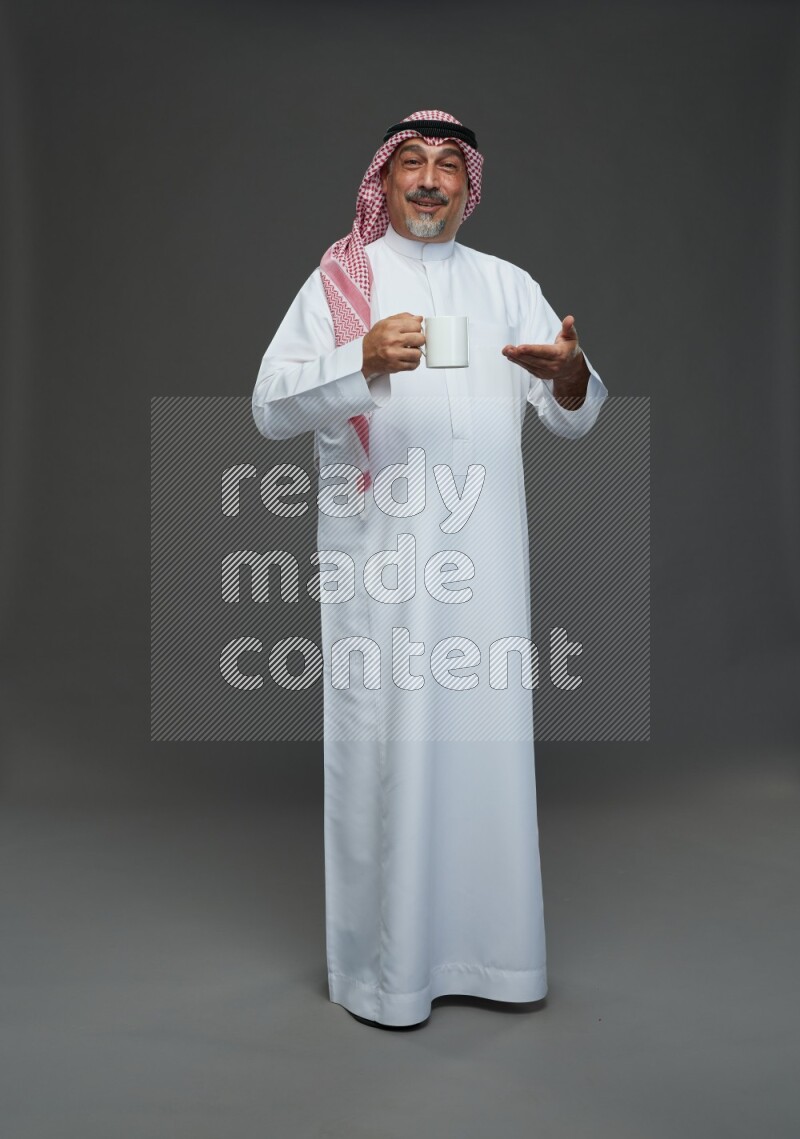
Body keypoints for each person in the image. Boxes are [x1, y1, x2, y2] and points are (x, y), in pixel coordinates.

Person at [251, 109, 608, 1027]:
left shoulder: (507, 285)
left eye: (449, 166)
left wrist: (568, 376)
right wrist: (357, 358)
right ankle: (387, 973)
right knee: (390, 751)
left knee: (483, 750)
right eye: (411, 161)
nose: (429, 180)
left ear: (469, 186)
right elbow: (270, 406)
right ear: (385, 177)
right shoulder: (344, 282)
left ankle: (496, 959)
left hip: (486, 568)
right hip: (382, 568)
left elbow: (571, 407)